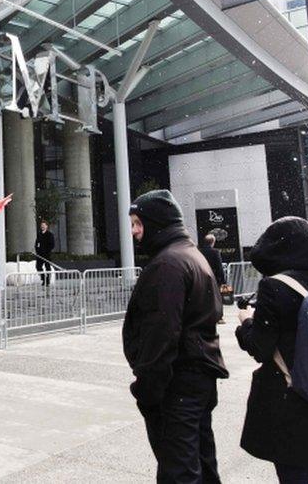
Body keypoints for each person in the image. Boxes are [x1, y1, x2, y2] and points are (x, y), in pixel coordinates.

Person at [122, 190, 228, 483]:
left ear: (157, 223)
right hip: (196, 377)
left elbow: (162, 333)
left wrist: (148, 388)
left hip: (177, 382)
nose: (134, 231)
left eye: (138, 223)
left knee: (179, 471)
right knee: (201, 462)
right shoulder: (190, 256)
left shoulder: (168, 265)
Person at [235, 217, 308, 483]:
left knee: (293, 473)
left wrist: (245, 322)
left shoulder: (273, 287)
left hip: (289, 399)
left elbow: (260, 348)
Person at [199, 234, 227, 324]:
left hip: (202, 277)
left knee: (203, 298)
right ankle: (219, 317)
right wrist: (223, 280)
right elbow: (219, 267)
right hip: (213, 278)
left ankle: (204, 317)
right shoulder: (215, 252)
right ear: (213, 242)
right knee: (217, 298)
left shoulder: (199, 252)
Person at [35, 220, 56, 286]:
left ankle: (47, 280)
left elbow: (52, 245)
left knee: (47, 267)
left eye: (44, 225)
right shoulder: (39, 234)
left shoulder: (50, 234)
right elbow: (37, 243)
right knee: (38, 267)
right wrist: (37, 250)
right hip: (40, 254)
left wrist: (46, 251)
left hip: (47, 254)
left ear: (47, 226)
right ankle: (44, 279)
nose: (42, 227)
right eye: (42, 225)